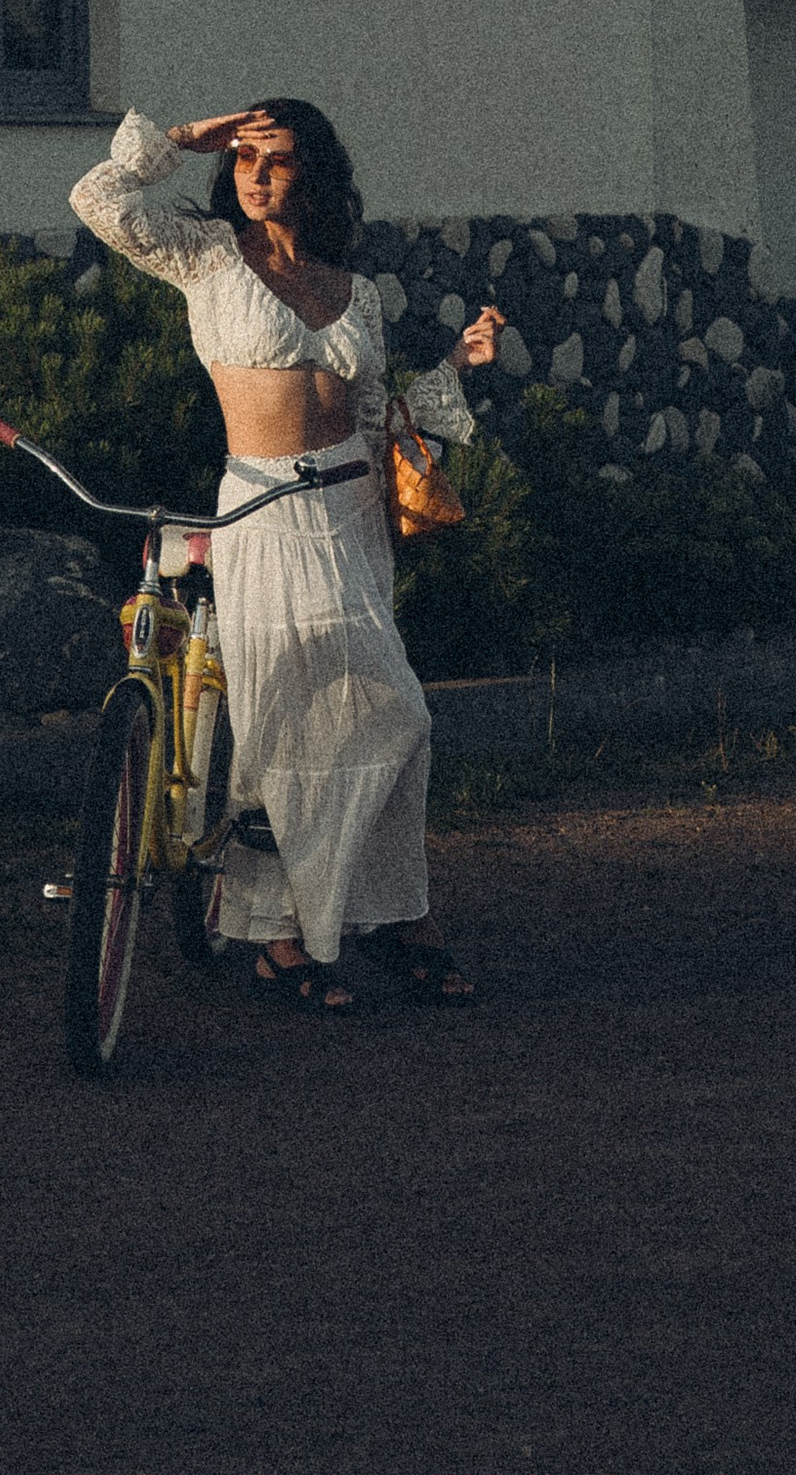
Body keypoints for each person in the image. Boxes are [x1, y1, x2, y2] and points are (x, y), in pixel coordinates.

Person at [70, 100, 501, 1012]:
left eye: (279, 160)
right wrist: (183, 140)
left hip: (350, 510)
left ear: (316, 174)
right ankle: (279, 938)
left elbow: (377, 419)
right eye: (245, 160)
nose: (257, 175)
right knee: (278, 725)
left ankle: (395, 916)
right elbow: (99, 200)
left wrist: (458, 367)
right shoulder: (206, 255)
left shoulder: (355, 291)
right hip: (260, 512)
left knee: (395, 714)